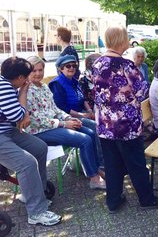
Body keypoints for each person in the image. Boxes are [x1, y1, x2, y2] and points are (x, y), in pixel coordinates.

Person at [92, 25, 158, 213]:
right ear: (121, 41)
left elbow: (93, 92)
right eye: (126, 37)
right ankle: (146, 199)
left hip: (105, 124)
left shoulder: (97, 63)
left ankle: (113, 200)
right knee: (136, 163)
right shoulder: (126, 65)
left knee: (112, 164)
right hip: (127, 125)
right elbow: (141, 91)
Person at [24, 56, 105, 190]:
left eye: (40, 70)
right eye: (34, 71)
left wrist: (68, 118)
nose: (38, 73)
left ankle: (96, 169)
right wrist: (63, 124)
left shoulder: (43, 87)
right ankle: (94, 179)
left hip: (54, 124)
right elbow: (36, 120)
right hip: (39, 132)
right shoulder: (27, 91)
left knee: (90, 133)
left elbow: (55, 108)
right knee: (84, 139)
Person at [0, 57, 61, 226]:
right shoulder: (4, 87)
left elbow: (20, 116)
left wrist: (23, 111)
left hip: (8, 131)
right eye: (26, 77)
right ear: (19, 78)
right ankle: (36, 212)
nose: (27, 80)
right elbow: (18, 116)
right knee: (26, 163)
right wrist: (24, 94)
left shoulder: (8, 83)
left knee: (39, 147)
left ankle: (32, 193)